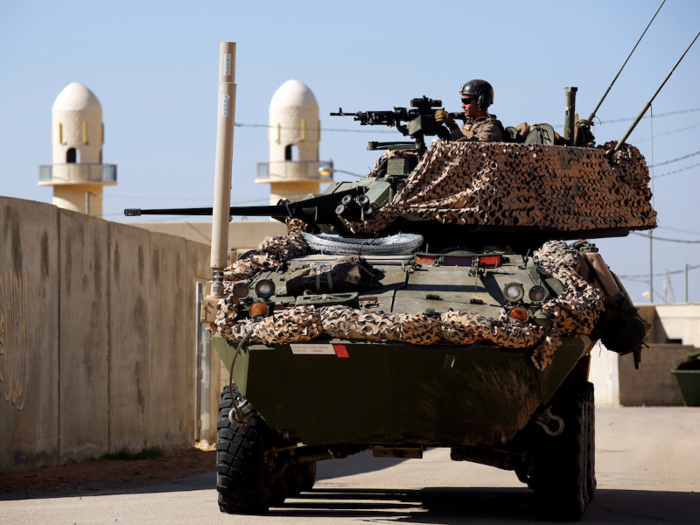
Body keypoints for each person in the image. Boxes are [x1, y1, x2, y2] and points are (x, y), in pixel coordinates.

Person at [435, 79, 504, 142]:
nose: (462, 106)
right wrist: (448, 136)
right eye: (462, 101)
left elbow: (471, 149)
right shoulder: (468, 124)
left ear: (481, 101)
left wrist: (452, 126)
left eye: (466, 101)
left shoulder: (491, 128)